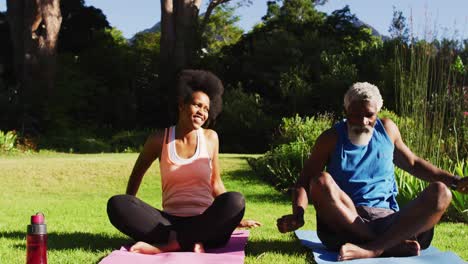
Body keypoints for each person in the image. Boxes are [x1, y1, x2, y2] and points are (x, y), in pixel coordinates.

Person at [277, 82, 468, 261]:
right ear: (345, 111)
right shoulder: (331, 138)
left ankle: (373, 247)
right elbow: (304, 181)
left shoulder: (387, 130)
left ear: (377, 111)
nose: (362, 121)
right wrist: (298, 215)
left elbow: (413, 163)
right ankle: (386, 245)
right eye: (354, 114)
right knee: (320, 180)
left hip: (389, 219)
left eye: (369, 114)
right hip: (346, 221)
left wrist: (455, 181)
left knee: (442, 192)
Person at [107, 69, 261, 254]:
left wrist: (232, 218)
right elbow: (137, 173)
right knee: (117, 204)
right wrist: (130, 206)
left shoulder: (211, 138)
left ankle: (173, 243)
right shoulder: (159, 139)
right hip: (167, 223)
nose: (202, 112)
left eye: (206, 109)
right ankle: (188, 240)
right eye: (197, 105)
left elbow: (216, 183)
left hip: (204, 220)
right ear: (181, 105)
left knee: (236, 200)